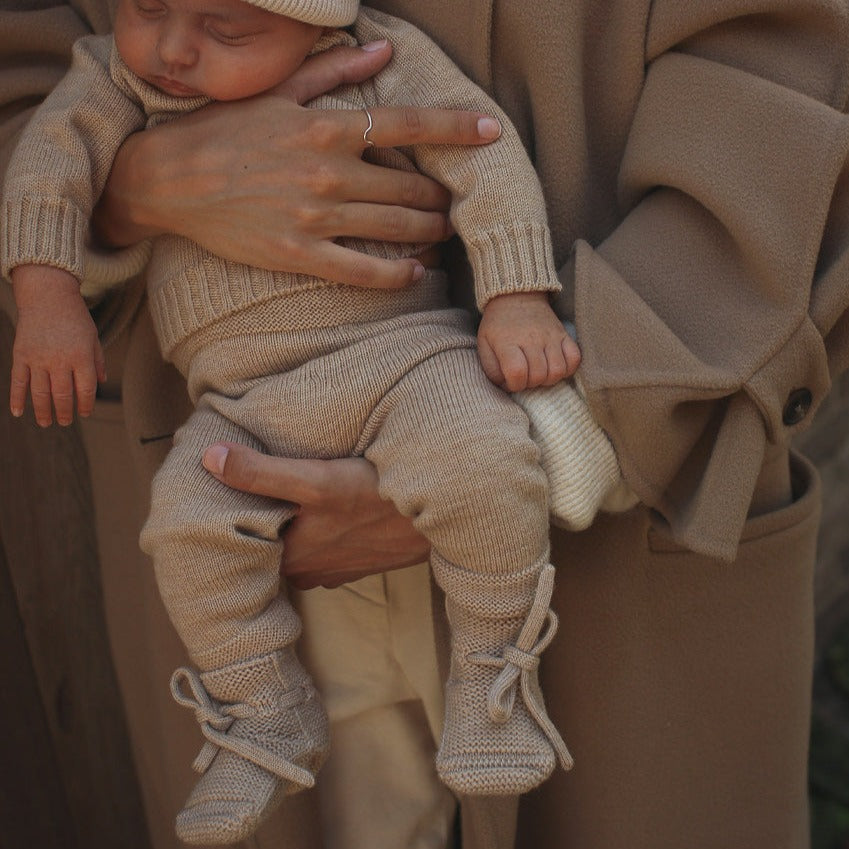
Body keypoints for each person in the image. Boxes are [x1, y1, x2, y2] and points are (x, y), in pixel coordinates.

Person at [3, 2, 849, 849]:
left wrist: (562, 425)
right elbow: (29, 85)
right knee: (191, 532)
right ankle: (260, 708)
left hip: (546, 436)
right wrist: (117, 202)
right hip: (232, 439)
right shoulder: (115, 75)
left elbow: (786, 81)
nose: (173, 49)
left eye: (225, 27)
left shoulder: (380, 57)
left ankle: (493, 681)